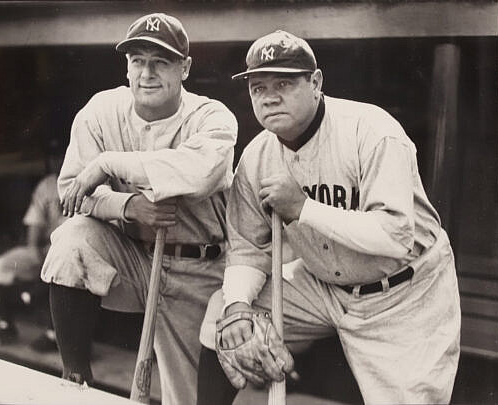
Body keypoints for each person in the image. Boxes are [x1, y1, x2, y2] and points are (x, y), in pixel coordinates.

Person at [197, 30, 461, 405]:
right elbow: (247, 248)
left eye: (284, 83)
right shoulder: (256, 159)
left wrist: (304, 208)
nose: (270, 97)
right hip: (322, 288)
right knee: (223, 316)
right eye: (259, 88)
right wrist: (238, 306)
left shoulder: (371, 131)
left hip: (404, 292)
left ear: (316, 83)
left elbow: (395, 235)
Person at [39, 12, 237, 405]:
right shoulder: (101, 111)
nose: (147, 73)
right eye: (137, 61)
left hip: (200, 269)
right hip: (134, 261)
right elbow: (71, 193)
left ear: (185, 68)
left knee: (188, 399)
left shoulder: (211, 117)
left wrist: (109, 163)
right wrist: (128, 206)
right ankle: (75, 378)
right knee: (71, 240)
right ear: (127, 67)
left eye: (160, 62)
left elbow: (199, 173)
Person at [0, 139, 66, 352]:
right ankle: (6, 325)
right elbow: (35, 222)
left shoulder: (86, 182)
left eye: (61, 156)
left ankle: (54, 336)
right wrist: (33, 249)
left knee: (61, 274)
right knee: (0, 266)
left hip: (70, 253)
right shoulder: (48, 184)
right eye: (53, 157)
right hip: (45, 249)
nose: (57, 161)